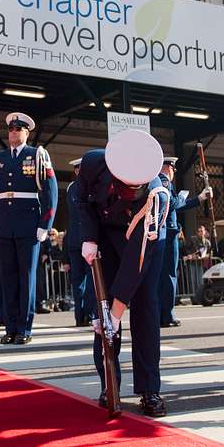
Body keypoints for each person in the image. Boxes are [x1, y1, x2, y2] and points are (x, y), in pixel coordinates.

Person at [77, 129, 170, 417]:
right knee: (100, 309)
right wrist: (89, 237)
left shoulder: (157, 196)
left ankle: (149, 389)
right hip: (105, 235)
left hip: (144, 243)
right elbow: (81, 200)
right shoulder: (94, 163)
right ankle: (109, 383)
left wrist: (116, 315)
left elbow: (136, 262)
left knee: (144, 308)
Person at [0, 112, 58, 345]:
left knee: (26, 278)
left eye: (18, 129)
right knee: (8, 278)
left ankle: (24, 328)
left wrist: (44, 225)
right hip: (4, 225)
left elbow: (51, 192)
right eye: (11, 129)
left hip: (28, 225)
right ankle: (10, 328)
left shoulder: (37, 155)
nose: (13, 133)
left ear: (27, 132)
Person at [158, 156, 210, 327]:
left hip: (165, 233)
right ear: (168, 168)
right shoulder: (163, 182)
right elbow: (172, 204)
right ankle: (166, 314)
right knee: (168, 275)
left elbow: (176, 205)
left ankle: (162, 313)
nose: (173, 172)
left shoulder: (160, 182)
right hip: (168, 233)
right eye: (173, 169)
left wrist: (199, 199)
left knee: (163, 275)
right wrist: (181, 198)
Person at [63, 159, 94, 327]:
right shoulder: (89, 187)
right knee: (89, 280)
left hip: (74, 239)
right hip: (87, 238)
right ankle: (87, 314)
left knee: (78, 281)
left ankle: (79, 316)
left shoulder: (71, 188)